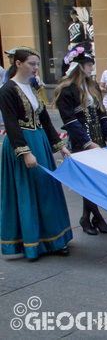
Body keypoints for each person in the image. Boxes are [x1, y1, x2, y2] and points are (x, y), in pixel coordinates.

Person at [0, 47, 72, 259]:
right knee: (28, 192)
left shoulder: (33, 86)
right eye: (32, 63)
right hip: (22, 144)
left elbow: (45, 121)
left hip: (40, 141)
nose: (35, 68)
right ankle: (33, 243)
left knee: (47, 189)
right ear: (18, 63)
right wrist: (24, 152)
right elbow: (11, 125)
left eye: (37, 64)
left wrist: (60, 147)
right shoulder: (7, 90)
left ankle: (55, 240)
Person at [54, 48, 107, 236]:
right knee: (88, 180)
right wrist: (87, 142)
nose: (92, 68)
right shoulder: (66, 90)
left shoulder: (92, 86)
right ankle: (95, 217)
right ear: (79, 67)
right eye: (89, 65)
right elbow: (70, 121)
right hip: (82, 140)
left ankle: (88, 217)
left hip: (97, 137)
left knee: (94, 179)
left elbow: (102, 113)